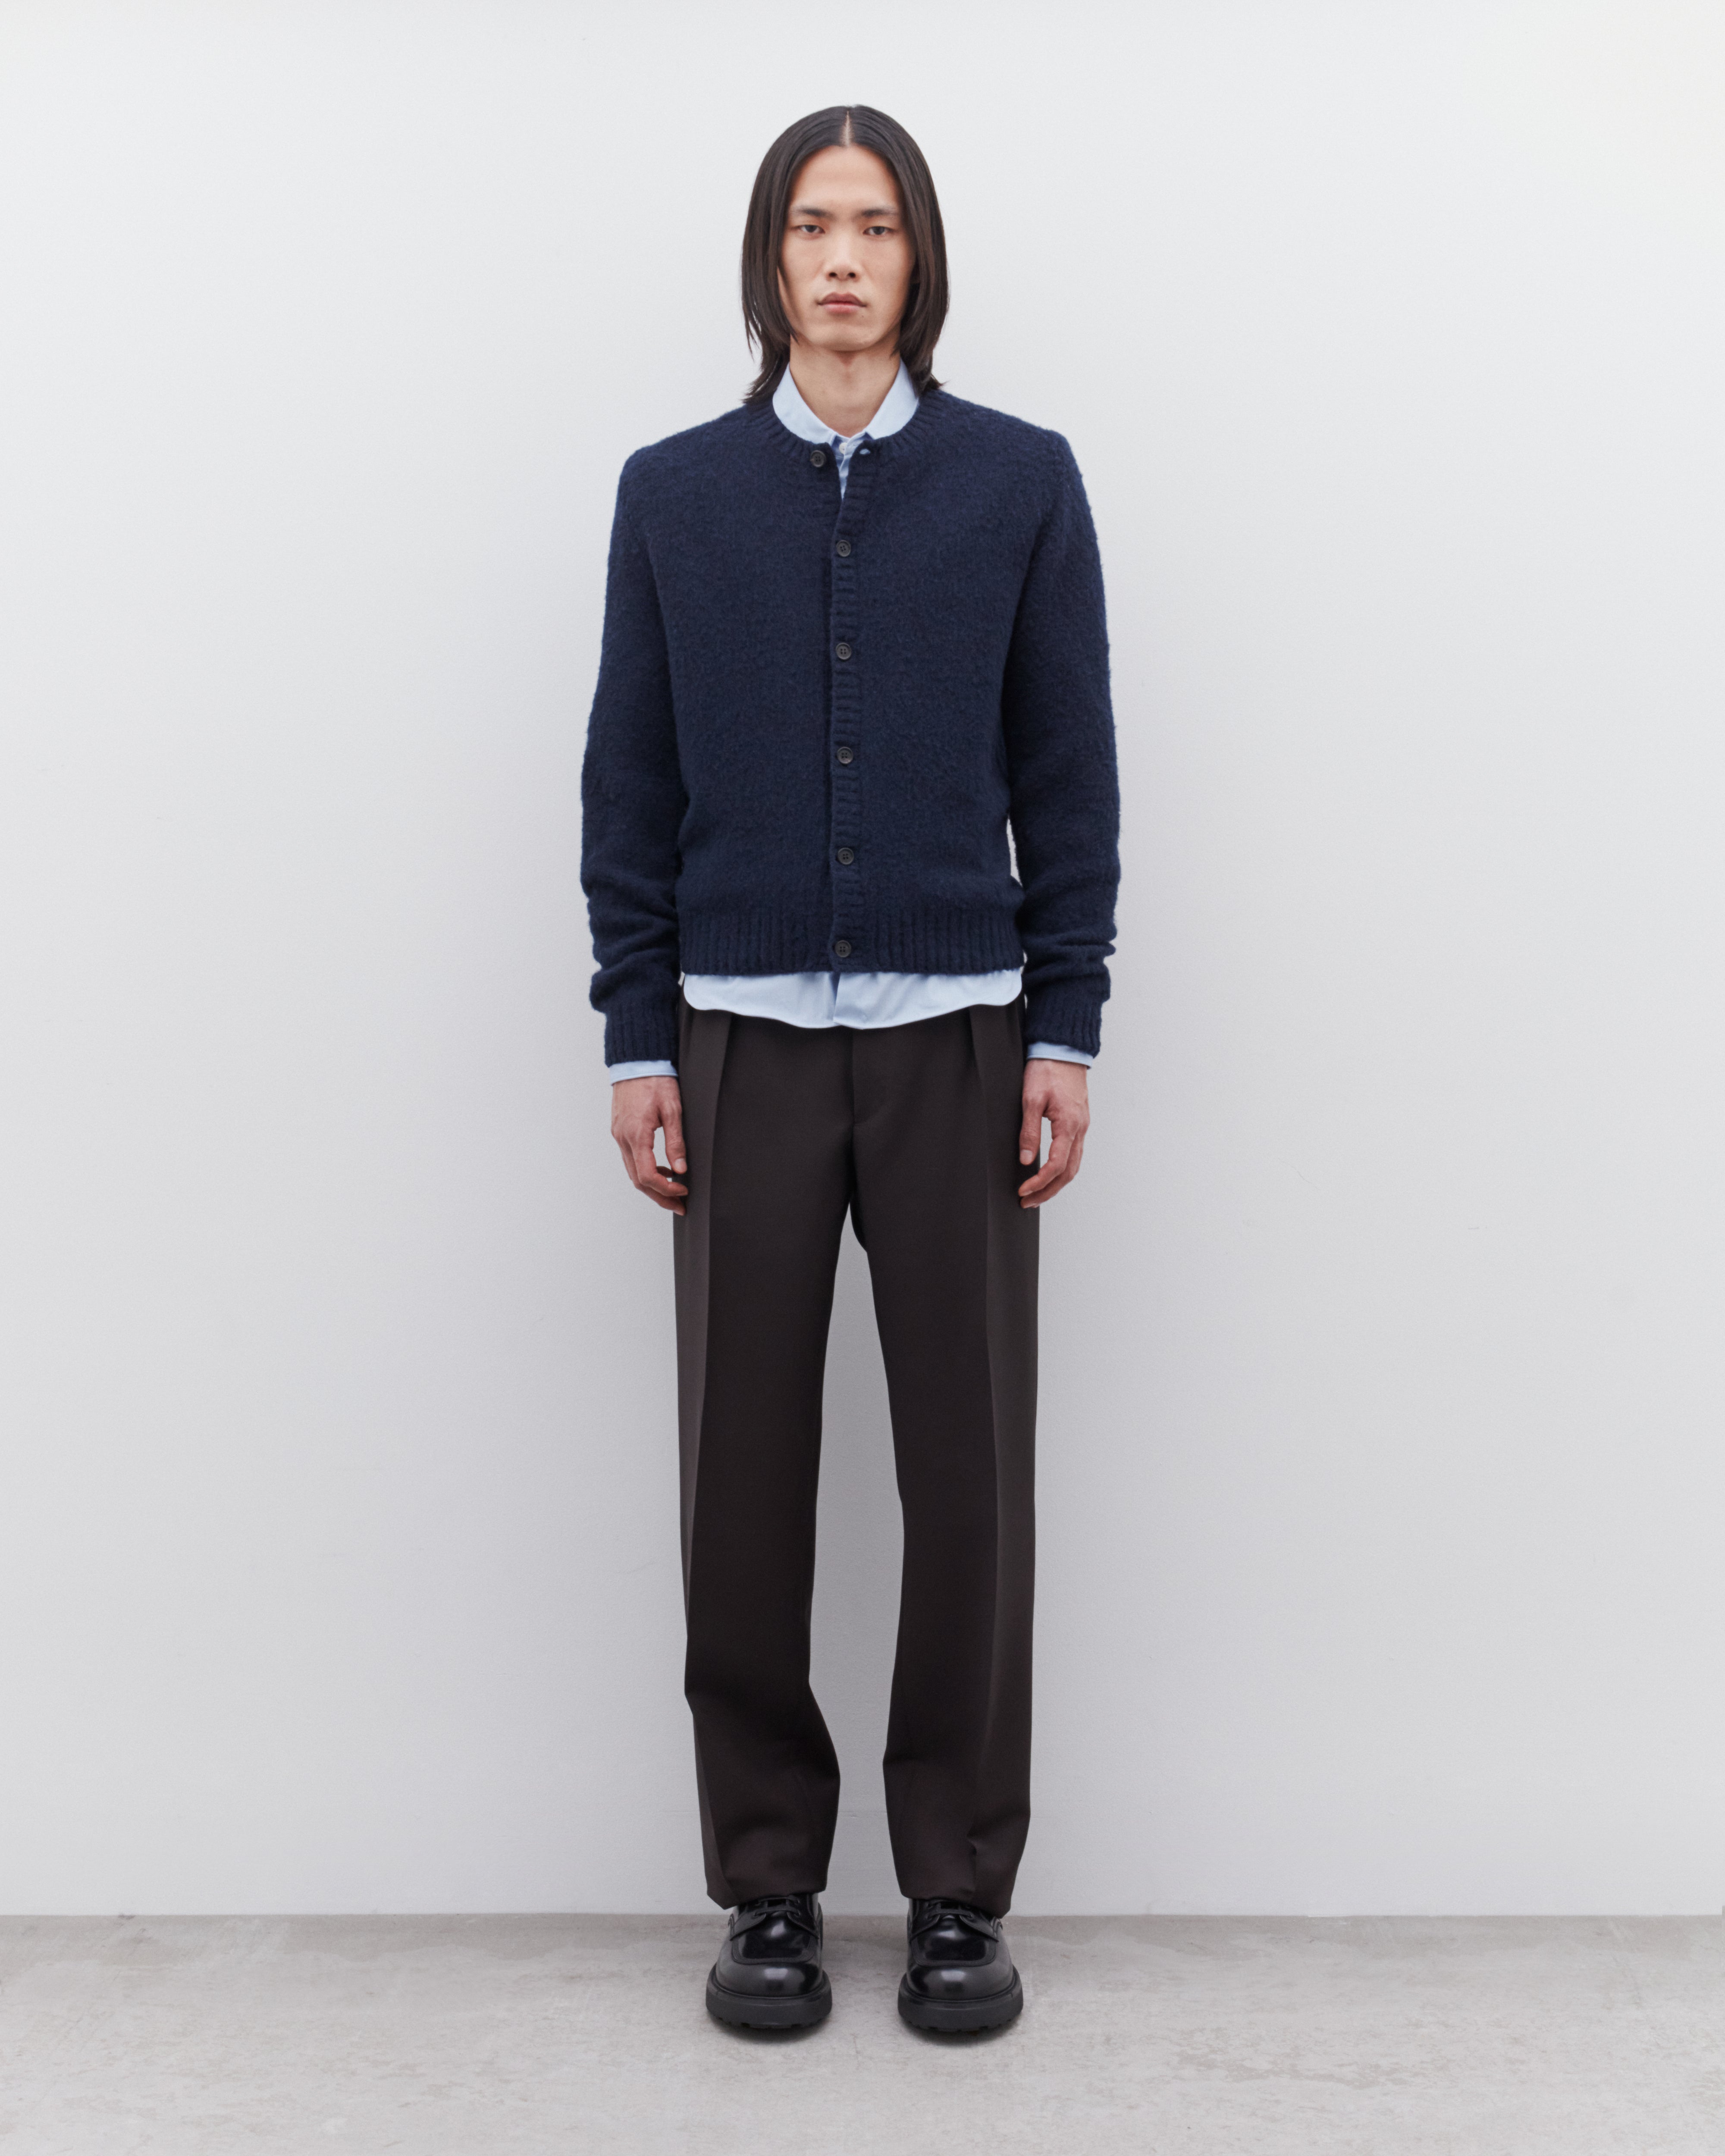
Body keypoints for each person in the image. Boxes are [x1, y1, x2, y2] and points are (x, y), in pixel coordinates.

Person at [580, 103, 1119, 2034]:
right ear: (770, 258)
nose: (840, 258)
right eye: (812, 224)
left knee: (971, 1478)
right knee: (741, 1478)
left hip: (959, 1037)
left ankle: (958, 1887)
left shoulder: (1020, 484)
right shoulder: (672, 494)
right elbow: (627, 779)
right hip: (736, 1039)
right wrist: (636, 1029)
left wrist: (1064, 1023)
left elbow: (1069, 772)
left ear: (918, 260)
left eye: (875, 227)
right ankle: (770, 1886)